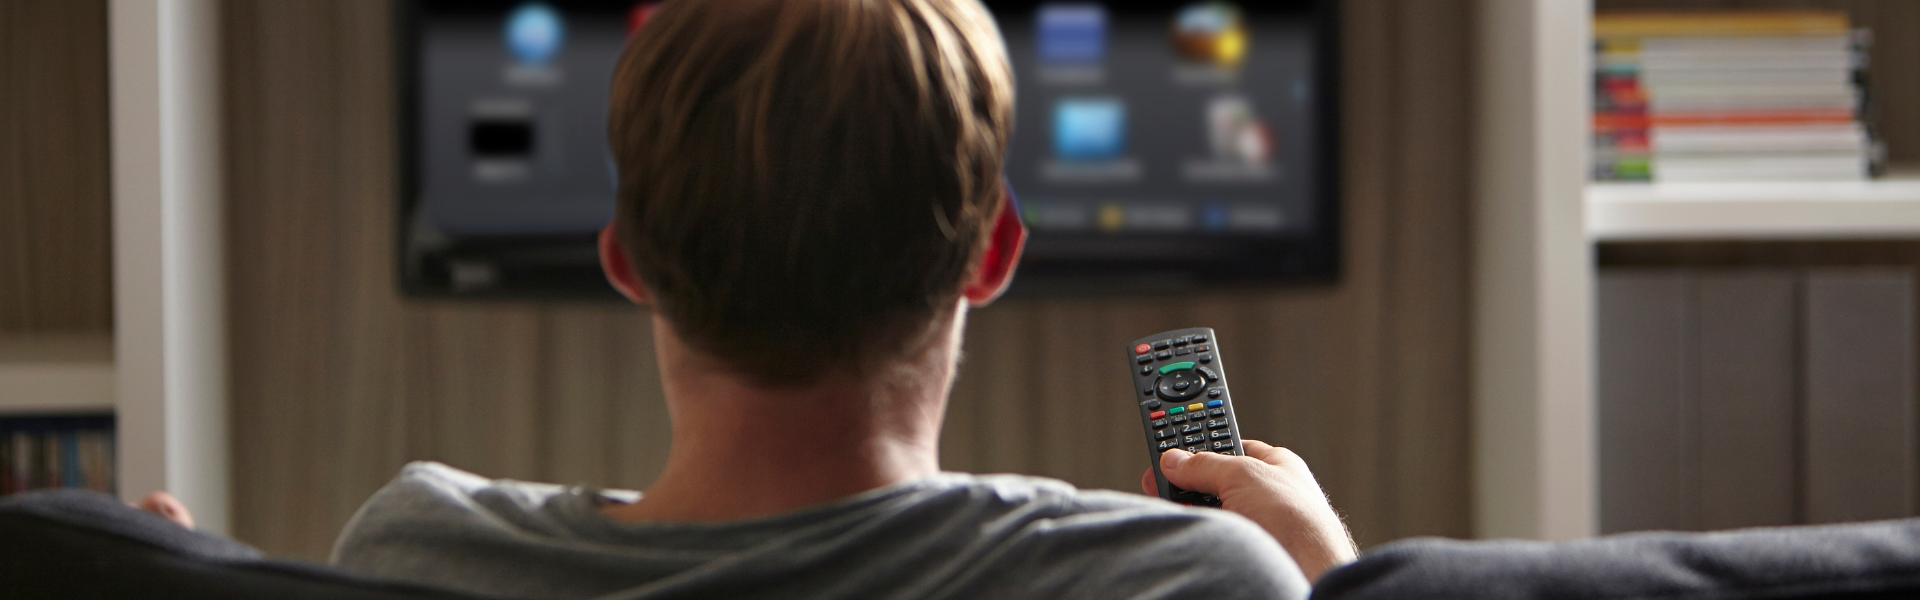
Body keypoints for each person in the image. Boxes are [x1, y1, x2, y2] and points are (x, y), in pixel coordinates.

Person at [140, 0, 1357, 597]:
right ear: (992, 255)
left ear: (626, 260)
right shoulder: (1190, 583)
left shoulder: (417, 555)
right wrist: (1342, 580)